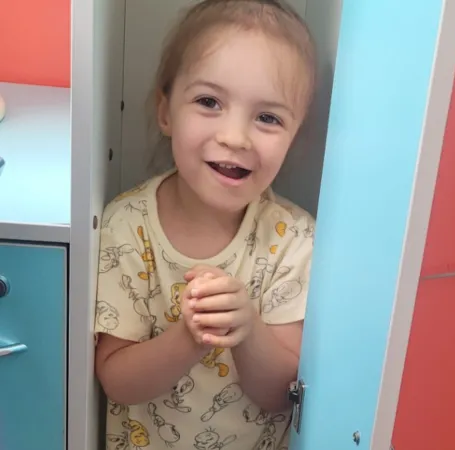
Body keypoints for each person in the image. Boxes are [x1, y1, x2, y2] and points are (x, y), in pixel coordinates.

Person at [94, 1, 317, 449]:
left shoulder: (295, 241)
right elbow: (115, 381)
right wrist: (188, 338)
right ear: (166, 112)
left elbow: (281, 396)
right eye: (209, 102)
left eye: (268, 117)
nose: (235, 137)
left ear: (295, 136)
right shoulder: (125, 226)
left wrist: (248, 330)